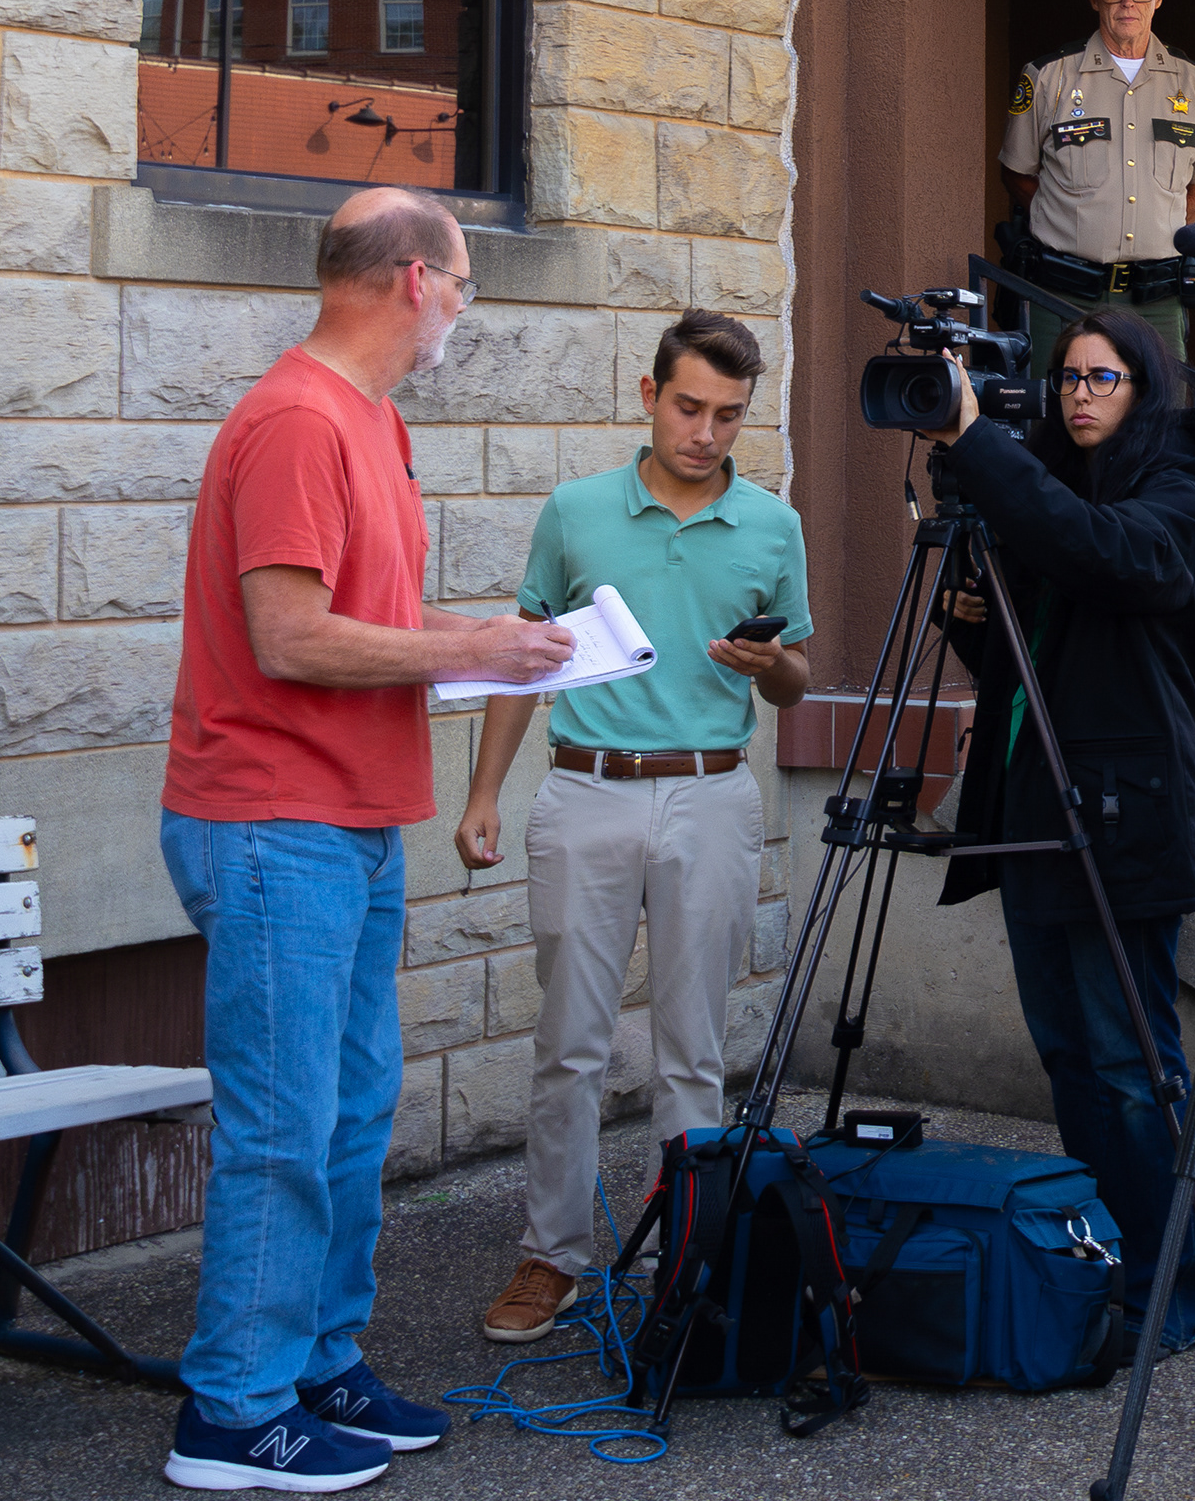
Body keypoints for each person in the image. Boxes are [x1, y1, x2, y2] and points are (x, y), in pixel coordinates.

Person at [160, 187, 577, 1492]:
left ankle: (314, 1364)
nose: (461, 306)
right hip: (272, 823)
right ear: (412, 279)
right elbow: (289, 636)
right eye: (463, 283)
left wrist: (497, 646)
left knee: (346, 1116)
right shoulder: (294, 419)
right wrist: (470, 649)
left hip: (341, 820)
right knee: (286, 1125)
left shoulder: (371, 423)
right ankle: (231, 1408)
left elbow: (368, 619)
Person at [462, 307, 814, 1345]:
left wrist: (771, 665)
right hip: (588, 788)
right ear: (649, 394)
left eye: (729, 416)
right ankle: (551, 1254)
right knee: (568, 1041)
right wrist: (482, 794)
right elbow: (521, 658)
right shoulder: (576, 513)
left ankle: (686, 1254)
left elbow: (797, 677)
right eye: (690, 406)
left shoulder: (771, 525)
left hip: (711, 792)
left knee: (691, 1046)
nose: (706, 432)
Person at [919, 304, 1195, 1352]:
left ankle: (1169, 1287)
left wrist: (983, 452)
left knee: (1131, 1067)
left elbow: (1114, 558)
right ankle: (1108, 1258)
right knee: (1068, 1054)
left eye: (1103, 379)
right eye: (1067, 379)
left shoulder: (1180, 486)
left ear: (1144, 391)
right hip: (1037, 808)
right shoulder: (1042, 500)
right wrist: (968, 609)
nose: (1079, 396)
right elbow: (1027, 665)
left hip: (1123, 821)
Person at [1000, 0, 1195, 375]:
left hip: (1157, 300)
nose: (1128, 1)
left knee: (1163, 423)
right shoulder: (1048, 77)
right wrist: (1069, 221)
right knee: (1058, 421)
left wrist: (1160, 225)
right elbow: (1016, 173)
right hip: (1064, 293)